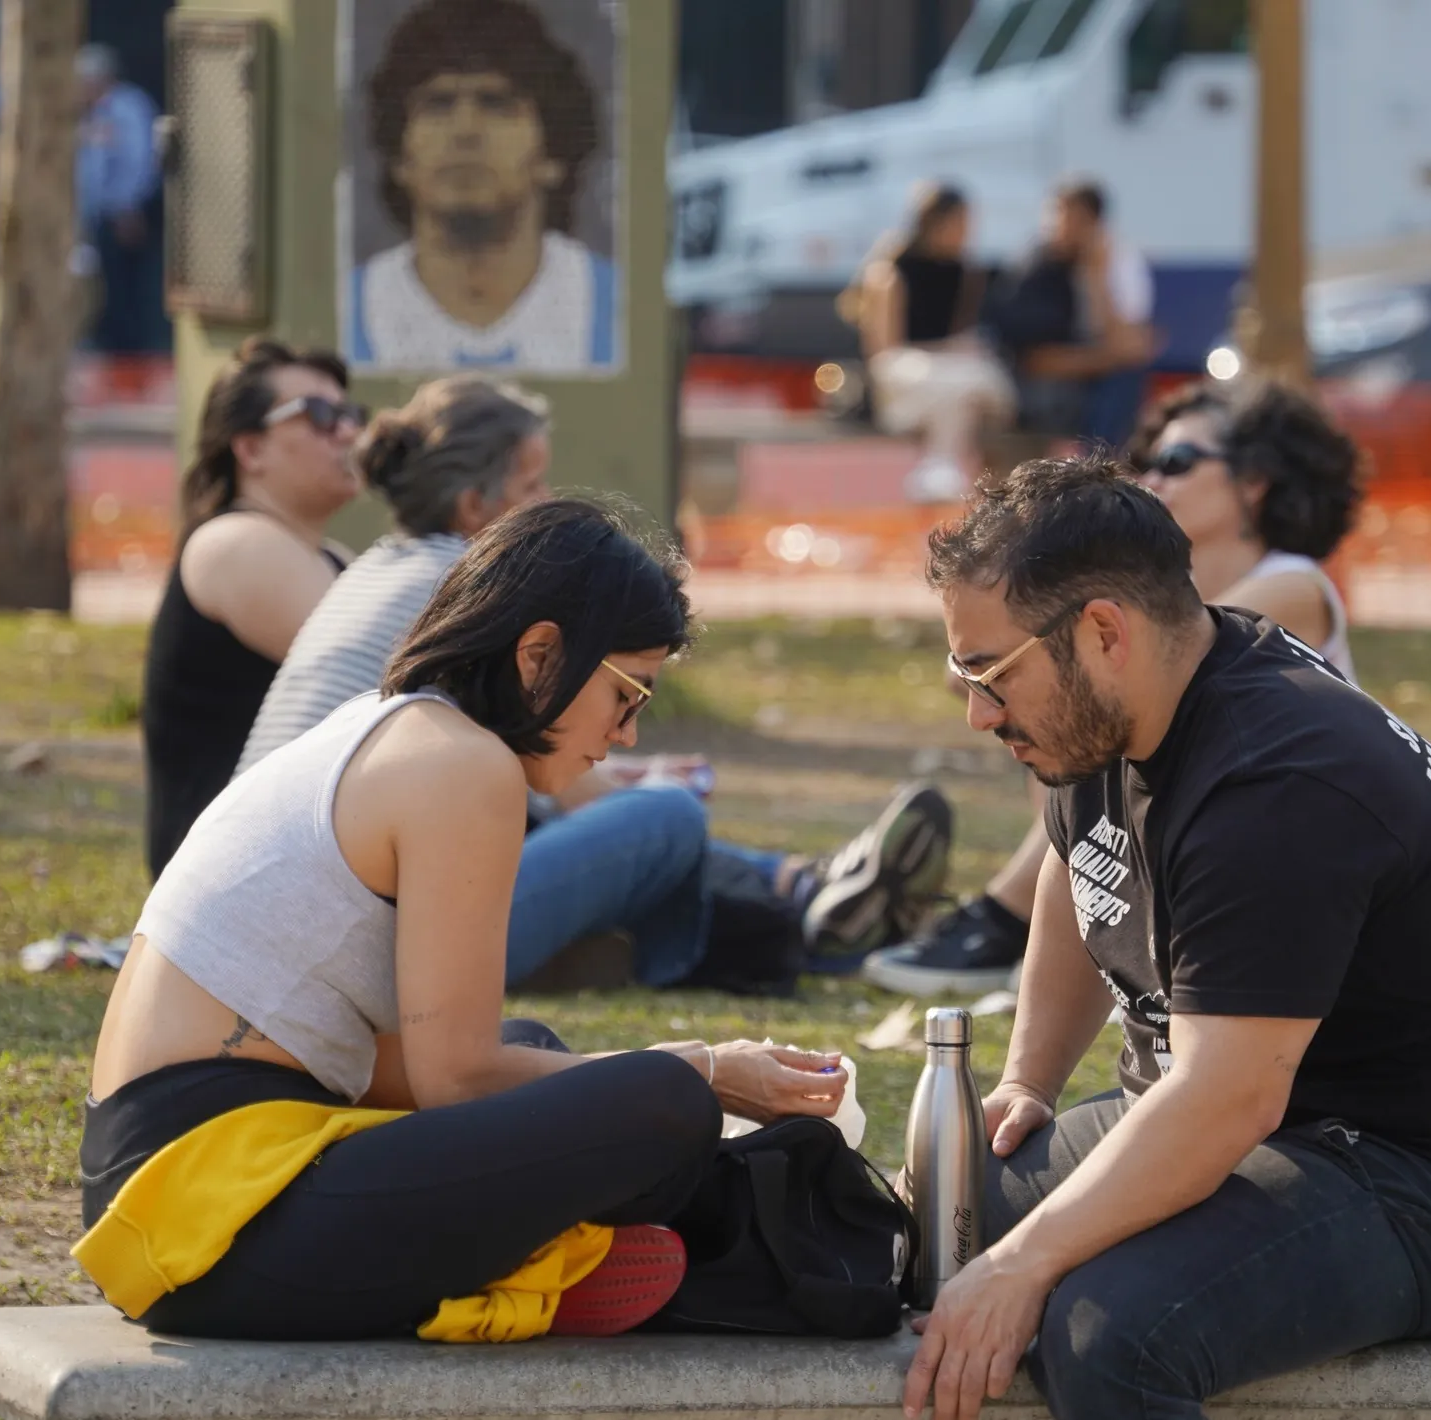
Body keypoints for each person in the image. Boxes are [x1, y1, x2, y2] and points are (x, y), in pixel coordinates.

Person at [899, 456, 1431, 1420]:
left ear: (1103, 633)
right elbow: (1076, 864)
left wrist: (1023, 1265)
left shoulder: (1278, 782)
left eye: (990, 673)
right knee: (943, 1206)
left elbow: (1229, 1100)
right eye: (961, 675)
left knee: (1104, 1333)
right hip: (1251, 1115)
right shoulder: (1121, 708)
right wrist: (1029, 1084)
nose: (978, 713)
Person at [82, 498, 850, 1341]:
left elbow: (399, 1072)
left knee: (546, 1055)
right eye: (627, 694)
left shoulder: (395, 728)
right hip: (218, 1219)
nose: (627, 735)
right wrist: (706, 1070)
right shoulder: (464, 767)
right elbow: (456, 1080)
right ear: (539, 655)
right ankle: (556, 1263)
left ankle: (562, 1256)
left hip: (173, 1198)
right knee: (667, 1103)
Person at [237, 373, 956, 986]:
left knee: (638, 813)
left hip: (295, 895)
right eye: (531, 485)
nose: (548, 498)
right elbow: (550, 785)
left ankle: (804, 892)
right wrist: (636, 785)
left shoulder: (375, 567)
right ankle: (803, 899)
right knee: (666, 818)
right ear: (475, 508)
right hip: (359, 931)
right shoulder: (471, 590)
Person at [865, 377, 1364, 995]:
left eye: (1177, 461)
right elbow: (966, 671)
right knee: (1063, 706)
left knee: (1089, 704)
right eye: (1148, 461)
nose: (1152, 479)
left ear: (1255, 481)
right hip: (1205, 818)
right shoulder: (1164, 593)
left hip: (1279, 835)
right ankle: (1051, 920)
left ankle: (1007, 918)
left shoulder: (1294, 582)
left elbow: (1166, 660)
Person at [140, 338, 364, 879]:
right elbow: (404, 684)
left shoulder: (327, 556)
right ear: (250, 449)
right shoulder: (237, 545)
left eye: (351, 415)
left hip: (292, 861)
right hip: (240, 882)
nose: (349, 433)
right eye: (319, 415)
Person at [350, 0, 617, 372]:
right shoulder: (343, 311)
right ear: (400, 158)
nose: (465, 131)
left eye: (496, 104)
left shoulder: (620, 311)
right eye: (438, 105)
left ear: (552, 154)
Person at [849, 182, 1014, 503]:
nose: (967, 232)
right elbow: (883, 353)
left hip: (951, 377)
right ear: (935, 223)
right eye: (960, 223)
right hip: (906, 377)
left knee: (965, 388)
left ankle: (940, 473)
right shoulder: (890, 273)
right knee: (958, 389)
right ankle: (940, 473)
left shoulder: (967, 273)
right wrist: (944, 353)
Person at [987, 181, 1155, 450]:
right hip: (1034, 386)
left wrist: (1096, 277)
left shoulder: (1115, 261)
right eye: (1057, 215)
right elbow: (1036, 360)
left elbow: (1128, 344)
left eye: (1075, 219)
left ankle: (1103, 463)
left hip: (1084, 379)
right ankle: (1094, 461)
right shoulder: (1035, 269)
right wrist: (1110, 358)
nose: (1061, 227)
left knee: (1124, 381)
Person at [75, 44, 168, 355]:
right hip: (102, 216)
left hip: (124, 216)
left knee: (125, 290)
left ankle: (131, 353)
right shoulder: (97, 112)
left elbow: (139, 161)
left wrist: (128, 207)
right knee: (105, 289)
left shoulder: (128, 107)